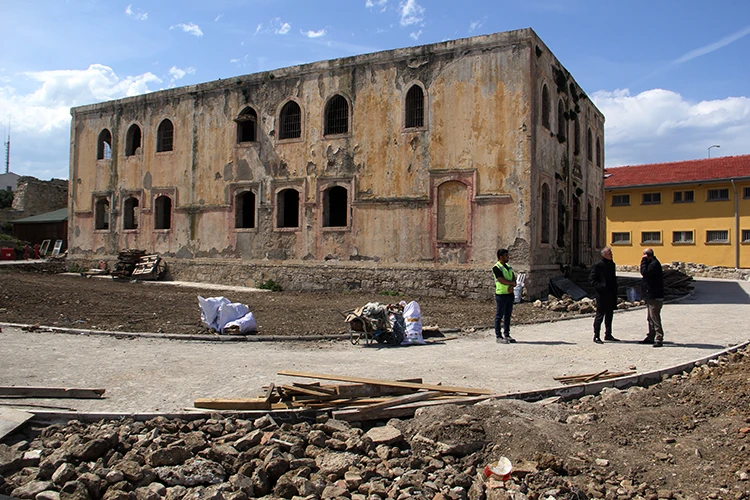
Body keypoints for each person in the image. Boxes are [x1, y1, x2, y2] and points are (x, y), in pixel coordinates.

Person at [589, 246, 620, 344]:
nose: (611, 254)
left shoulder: (612, 264)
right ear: (604, 254)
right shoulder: (598, 265)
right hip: (602, 294)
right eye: (609, 253)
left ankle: (608, 334)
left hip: (611, 293)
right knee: (600, 315)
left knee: (610, 315)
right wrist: (601, 287)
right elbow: (592, 279)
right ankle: (596, 335)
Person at [640, 248, 665, 347]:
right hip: (651, 295)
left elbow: (644, 272)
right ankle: (651, 336)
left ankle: (659, 338)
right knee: (650, 317)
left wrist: (643, 261)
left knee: (655, 317)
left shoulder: (654, 264)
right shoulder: (652, 263)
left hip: (655, 295)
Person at [493, 248, 517, 344]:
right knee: (499, 316)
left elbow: (513, 277)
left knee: (508, 315)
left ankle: (507, 334)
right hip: (501, 294)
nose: (508, 257)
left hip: (509, 294)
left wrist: (512, 285)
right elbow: (501, 279)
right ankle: (498, 336)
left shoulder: (508, 267)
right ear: (501, 257)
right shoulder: (496, 267)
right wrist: (511, 283)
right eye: (506, 256)